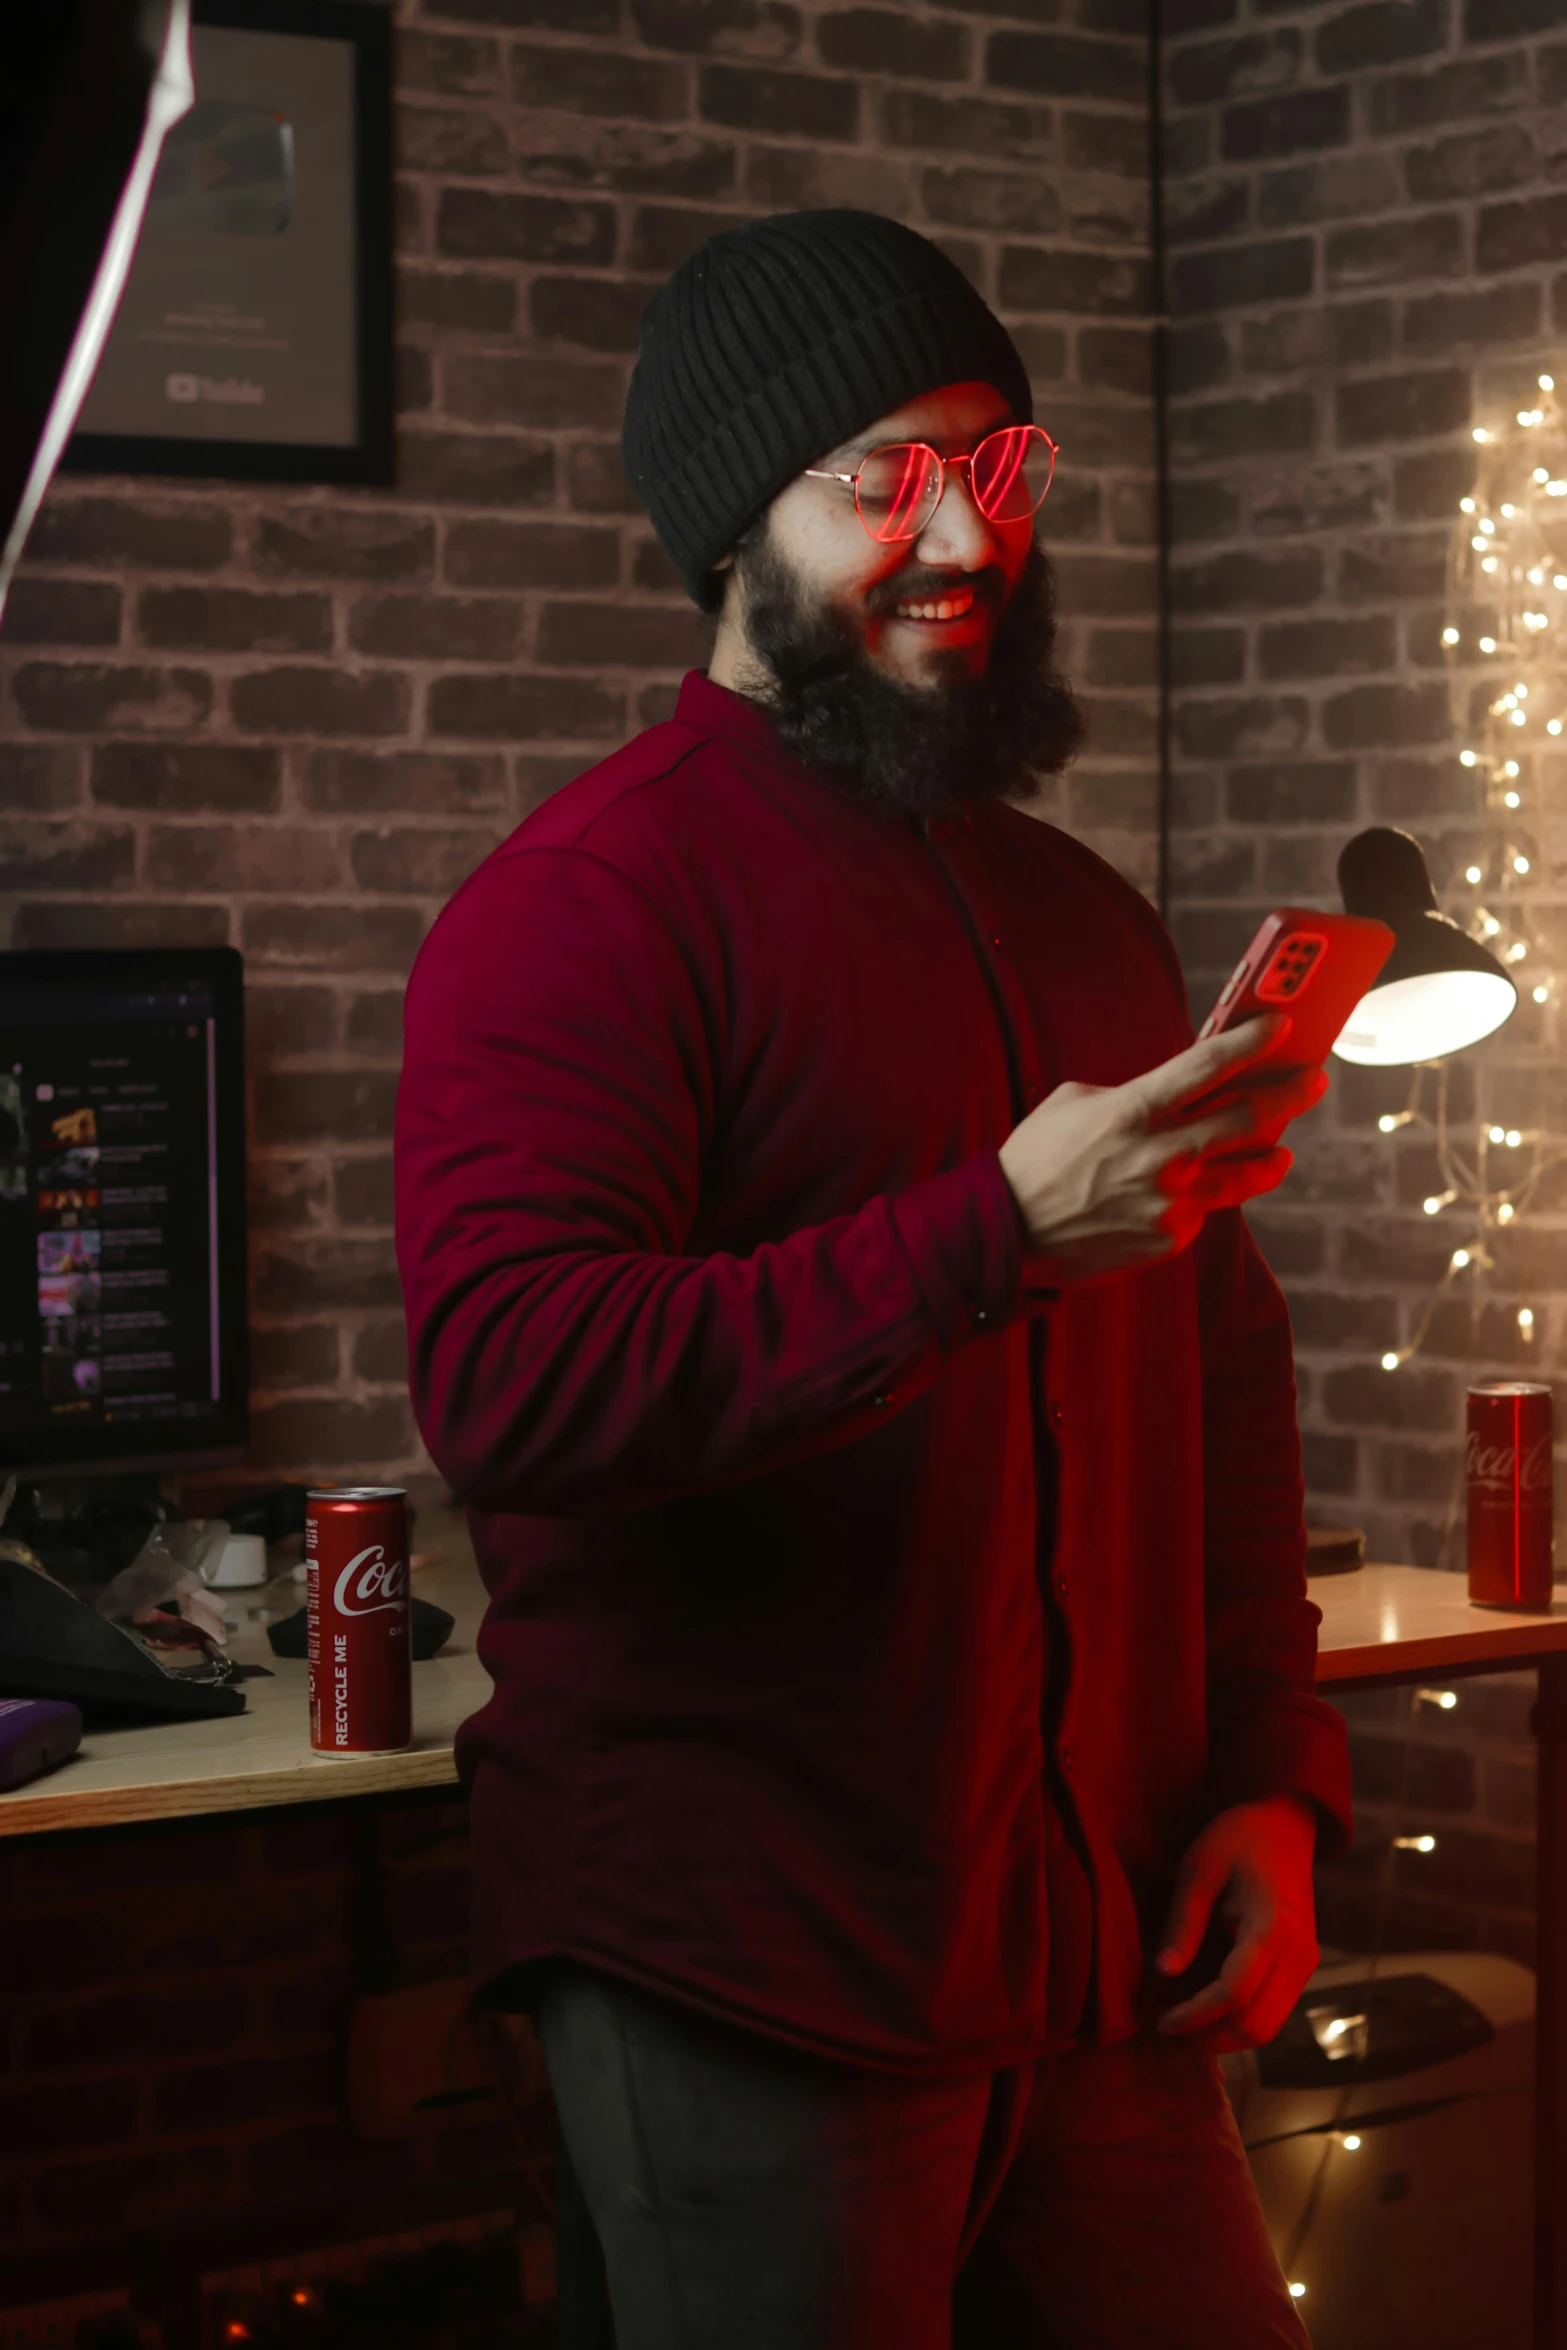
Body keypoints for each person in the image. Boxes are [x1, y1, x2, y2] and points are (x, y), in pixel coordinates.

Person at [395, 210, 1353, 2349]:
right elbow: (517, 1380)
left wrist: (1277, 1780)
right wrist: (987, 1239)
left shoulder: (1088, 913)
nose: (960, 531)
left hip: (1104, 1967)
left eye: (997, 466)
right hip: (751, 1972)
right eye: (880, 475)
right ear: (735, 525)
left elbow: (1225, 1389)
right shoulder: (583, 909)